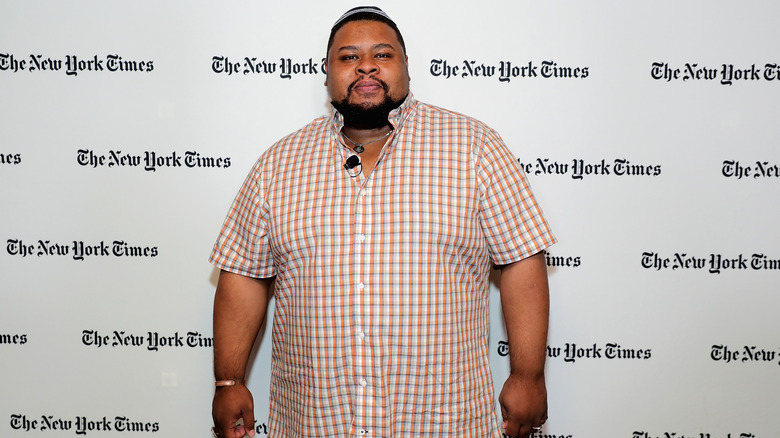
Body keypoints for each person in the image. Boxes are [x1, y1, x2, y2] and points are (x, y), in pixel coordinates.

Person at [209, 6, 555, 438]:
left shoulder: (474, 148)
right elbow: (243, 274)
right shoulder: (278, 164)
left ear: (407, 69)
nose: (366, 65)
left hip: (443, 422)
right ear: (327, 74)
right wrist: (229, 380)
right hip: (314, 422)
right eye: (349, 56)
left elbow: (523, 259)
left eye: (383, 55)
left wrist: (528, 376)